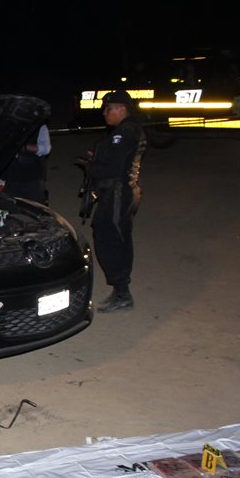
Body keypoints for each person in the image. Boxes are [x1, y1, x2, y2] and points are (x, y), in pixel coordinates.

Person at [84, 90, 146, 312]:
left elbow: (113, 167)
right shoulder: (128, 130)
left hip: (118, 193)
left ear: (122, 109)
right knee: (113, 235)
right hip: (121, 191)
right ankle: (120, 290)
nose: (104, 113)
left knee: (111, 238)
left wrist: (92, 165)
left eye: (108, 108)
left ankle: (122, 292)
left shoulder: (125, 132)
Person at [2, 123, 52, 203]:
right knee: (8, 206)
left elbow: (46, 148)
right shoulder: (7, 123)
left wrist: (24, 147)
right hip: (10, 176)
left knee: (33, 208)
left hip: (31, 176)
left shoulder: (40, 126)